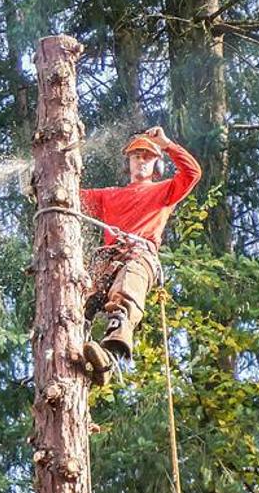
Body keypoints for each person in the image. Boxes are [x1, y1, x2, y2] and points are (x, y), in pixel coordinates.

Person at [79, 126, 201, 385]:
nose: (141, 160)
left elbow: (192, 173)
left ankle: (109, 357)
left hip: (139, 255)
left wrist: (167, 144)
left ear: (157, 163)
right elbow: (70, 199)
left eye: (148, 156)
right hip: (108, 259)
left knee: (127, 289)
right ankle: (72, 348)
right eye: (137, 156)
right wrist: (41, 185)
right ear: (129, 161)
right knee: (80, 300)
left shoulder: (164, 191)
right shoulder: (109, 195)